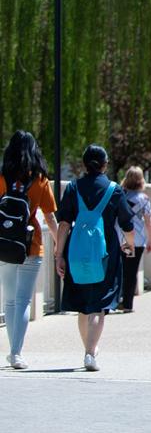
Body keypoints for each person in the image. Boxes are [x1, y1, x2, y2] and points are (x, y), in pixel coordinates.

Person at [54, 145, 134, 372]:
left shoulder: (73, 188)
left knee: (83, 306)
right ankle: (90, 352)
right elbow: (127, 223)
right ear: (105, 165)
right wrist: (129, 243)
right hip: (105, 254)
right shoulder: (114, 189)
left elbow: (64, 224)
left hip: (77, 252)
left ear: (84, 164)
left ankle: (88, 348)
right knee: (99, 306)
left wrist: (59, 255)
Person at [0, 131, 58, 370]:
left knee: (10, 301)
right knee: (24, 301)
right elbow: (50, 216)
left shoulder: (2, 176)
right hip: (31, 243)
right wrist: (59, 243)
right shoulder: (41, 179)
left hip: (4, 244)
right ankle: (16, 353)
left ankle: (13, 352)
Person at [116, 166, 151, 312]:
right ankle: (128, 304)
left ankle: (118, 299)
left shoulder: (121, 196)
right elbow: (149, 222)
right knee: (132, 271)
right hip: (137, 240)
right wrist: (150, 240)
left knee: (122, 269)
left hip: (124, 238)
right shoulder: (144, 199)